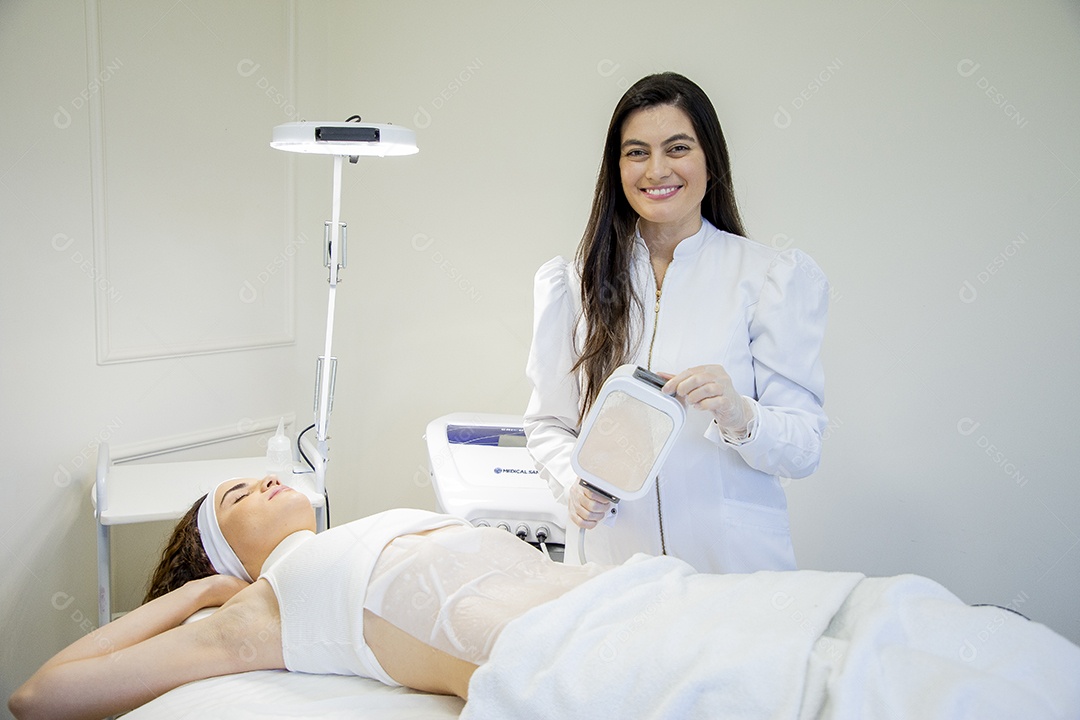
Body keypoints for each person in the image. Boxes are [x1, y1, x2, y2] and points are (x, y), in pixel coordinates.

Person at [524, 72, 829, 573]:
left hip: (734, 572)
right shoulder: (576, 282)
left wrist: (740, 415)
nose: (656, 170)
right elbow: (548, 424)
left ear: (710, 159)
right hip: (616, 568)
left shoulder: (770, 278)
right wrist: (575, 482)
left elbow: (804, 448)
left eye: (678, 147)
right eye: (637, 152)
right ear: (616, 167)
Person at [8, 476, 605, 720]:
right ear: (228, 559)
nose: (266, 480)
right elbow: (37, 698)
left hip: (617, 595)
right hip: (575, 662)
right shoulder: (263, 608)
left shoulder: (356, 539)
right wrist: (202, 592)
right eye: (235, 497)